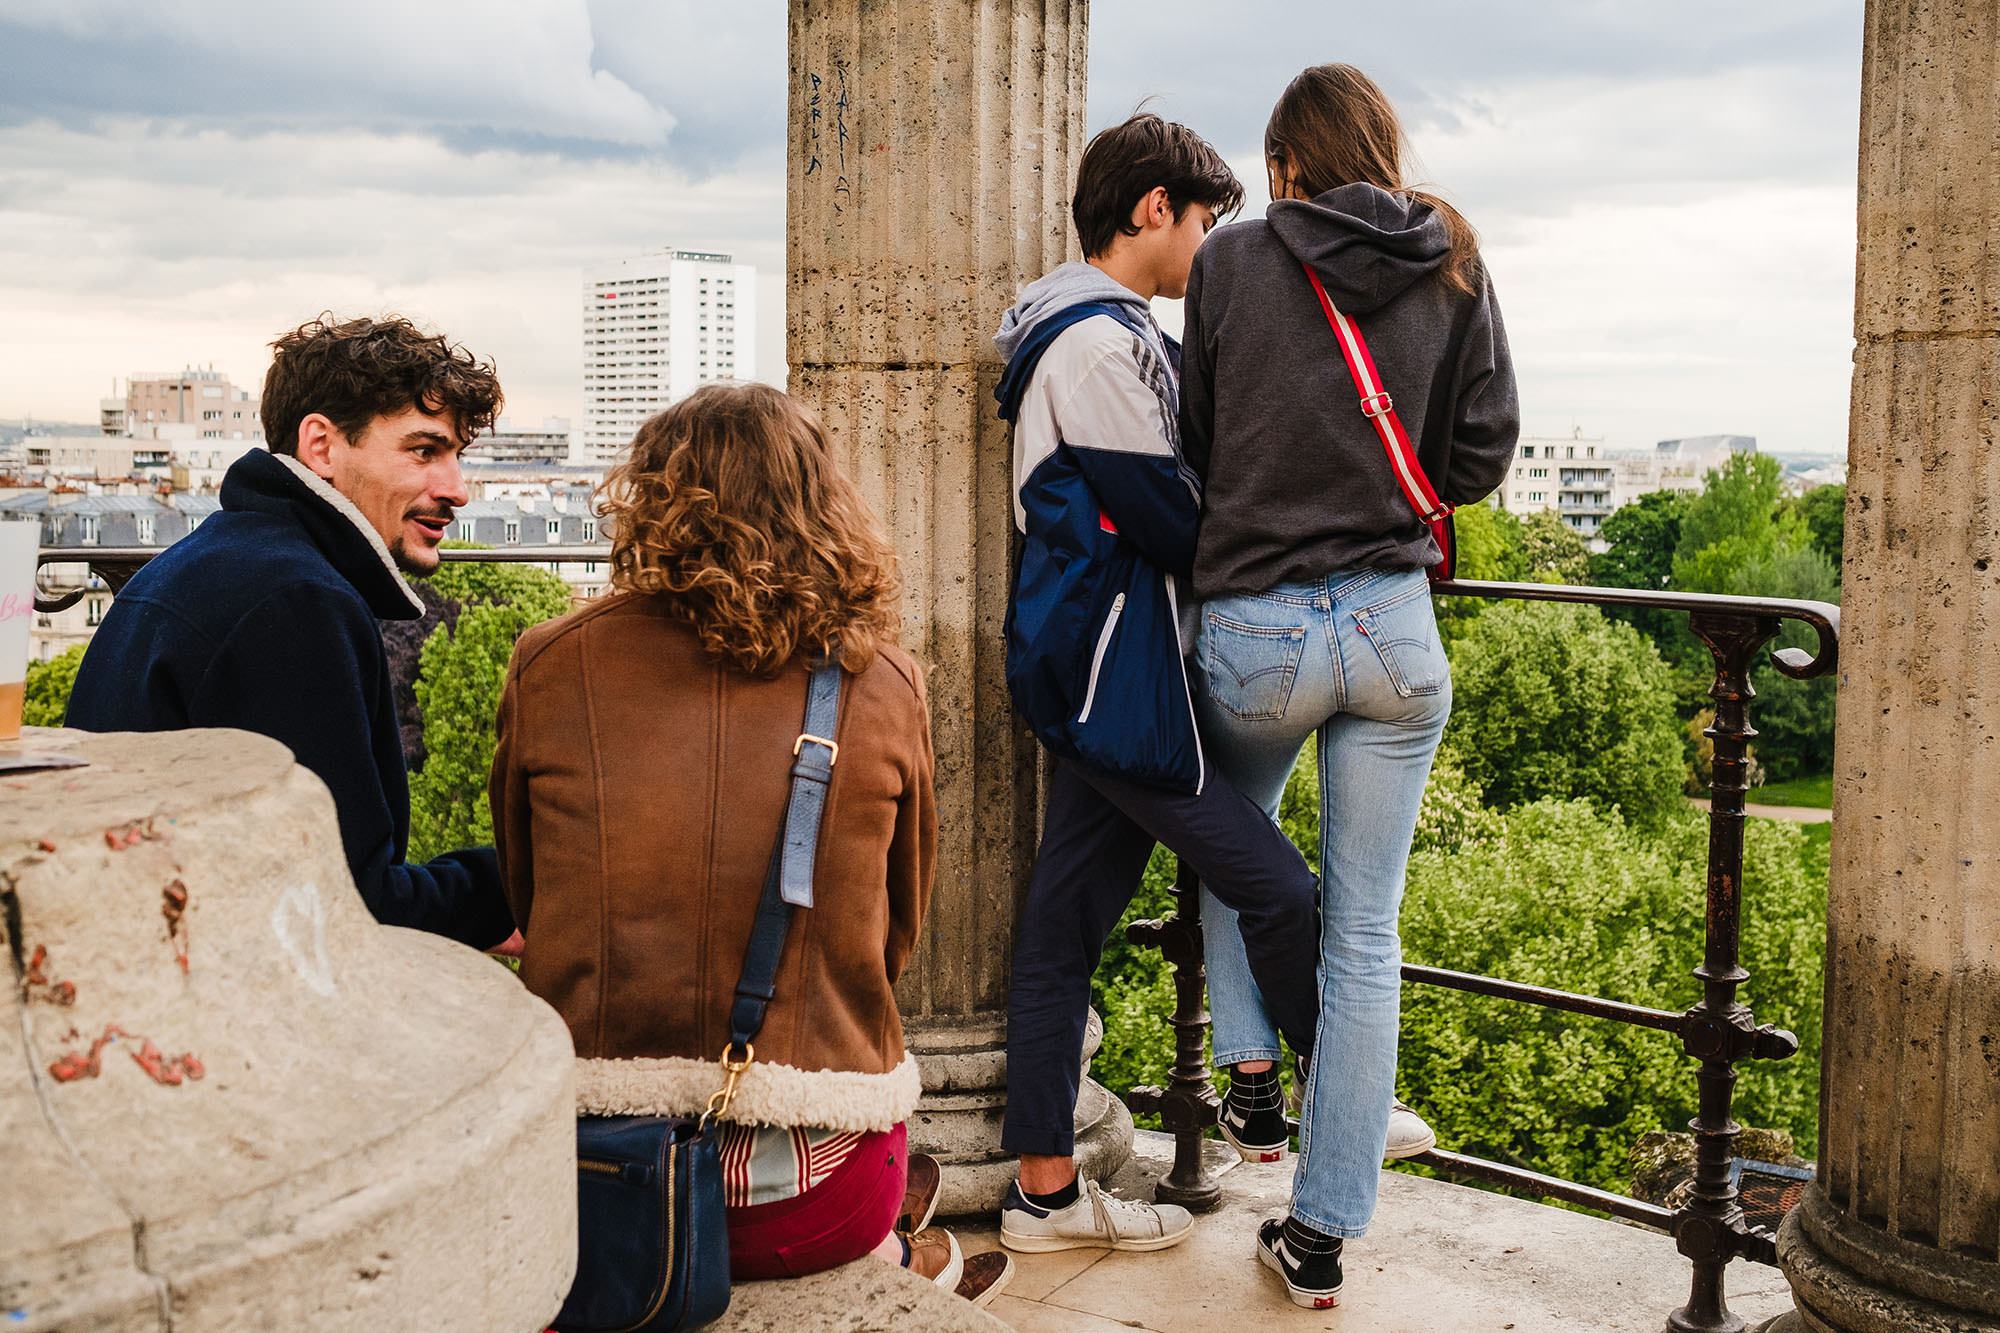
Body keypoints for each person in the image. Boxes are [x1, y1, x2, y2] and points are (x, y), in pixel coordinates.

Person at [489, 383, 1009, 1305]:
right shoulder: (881, 681)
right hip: (810, 1190)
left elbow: (528, 899)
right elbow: (899, 928)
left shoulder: (549, 660)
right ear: (823, 503)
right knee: (865, 1172)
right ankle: (900, 1252)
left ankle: (905, 1252)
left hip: (591, 1171)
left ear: (648, 498)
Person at [1180, 64, 1520, 1308]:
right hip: (1391, 626)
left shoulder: (1230, 262)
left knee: (1235, 847)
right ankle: (1320, 1234)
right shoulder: (1454, 257)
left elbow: (1198, 439)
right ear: (1382, 146)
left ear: (1283, 164)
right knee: (1365, 932)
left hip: (1257, 625)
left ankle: (1251, 1072)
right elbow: (1483, 449)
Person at [992, 112, 1326, 1254]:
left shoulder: (1090, 329)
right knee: (1278, 891)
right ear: (1150, 209)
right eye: (1202, 222)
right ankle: (1332, 1105)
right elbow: (1172, 518)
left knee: (1059, 929)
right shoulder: (1095, 341)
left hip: (1092, 669)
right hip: (1114, 681)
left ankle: (1040, 1193)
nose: (1207, 249)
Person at [66, 315, 517, 951]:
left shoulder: (220, 562)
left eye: (456, 456)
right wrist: (512, 888)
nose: (457, 490)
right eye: (424, 451)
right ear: (322, 446)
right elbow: (346, 906)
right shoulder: (297, 603)